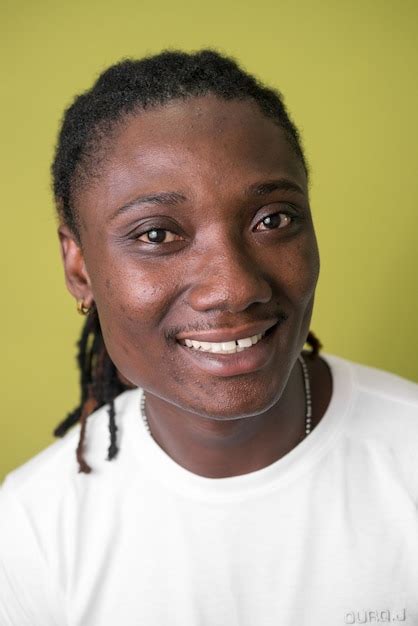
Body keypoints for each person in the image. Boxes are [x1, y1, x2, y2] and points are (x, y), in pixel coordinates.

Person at [0, 49, 417, 626]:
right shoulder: (32, 531)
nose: (234, 286)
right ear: (79, 267)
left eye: (272, 219)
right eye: (155, 234)